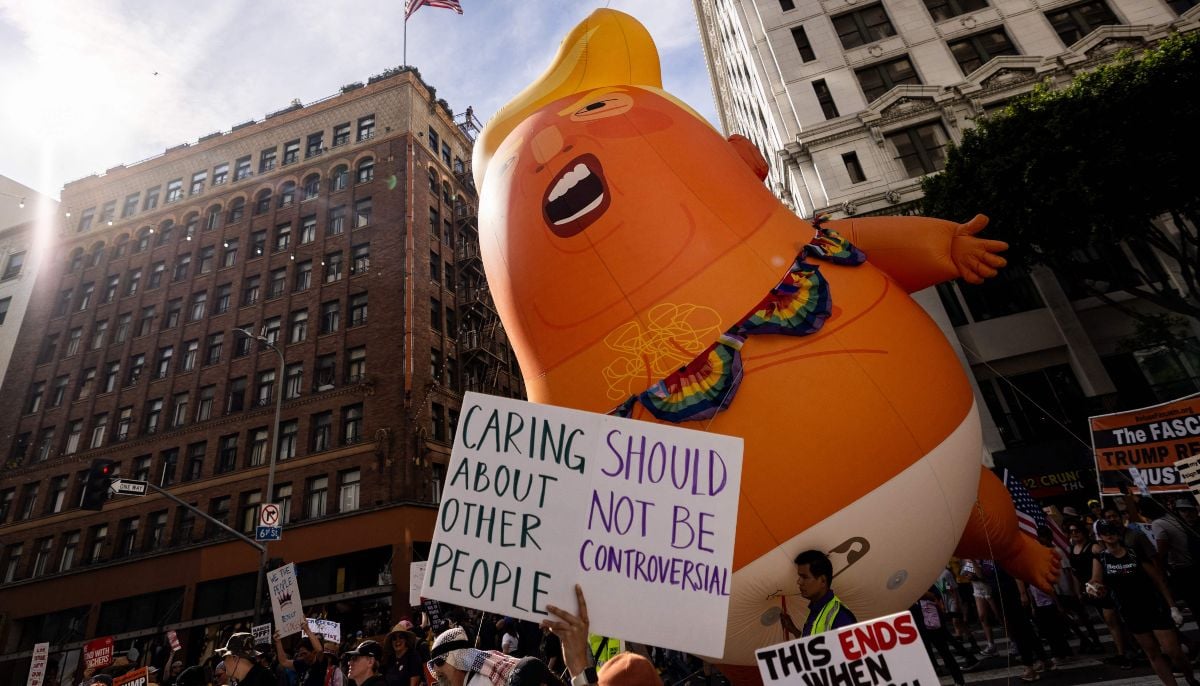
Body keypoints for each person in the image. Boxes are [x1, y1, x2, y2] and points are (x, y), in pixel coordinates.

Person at [1090, 519, 1198, 686]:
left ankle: (1190, 677)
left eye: (1112, 530)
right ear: (1100, 536)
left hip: (1153, 606)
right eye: (1105, 532)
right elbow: (1096, 580)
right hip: (1130, 611)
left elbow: (1158, 580)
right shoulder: (1101, 558)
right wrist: (1095, 588)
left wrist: (1172, 606)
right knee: (1153, 653)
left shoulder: (1133, 553)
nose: (1109, 535)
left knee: (1173, 651)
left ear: (1118, 533)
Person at [540, 586, 658, 686]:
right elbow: (589, 664)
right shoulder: (589, 633)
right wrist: (578, 667)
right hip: (601, 680)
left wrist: (577, 667)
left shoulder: (626, 626)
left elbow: (643, 658)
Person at [427, 627, 563, 686]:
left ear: (458, 659)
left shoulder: (481, 682)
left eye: (439, 662)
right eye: (432, 664)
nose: (436, 669)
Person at [778, 549, 857, 637]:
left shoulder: (840, 616)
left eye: (805, 577)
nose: (799, 582)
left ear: (822, 581)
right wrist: (793, 630)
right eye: (800, 576)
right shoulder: (816, 610)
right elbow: (813, 643)